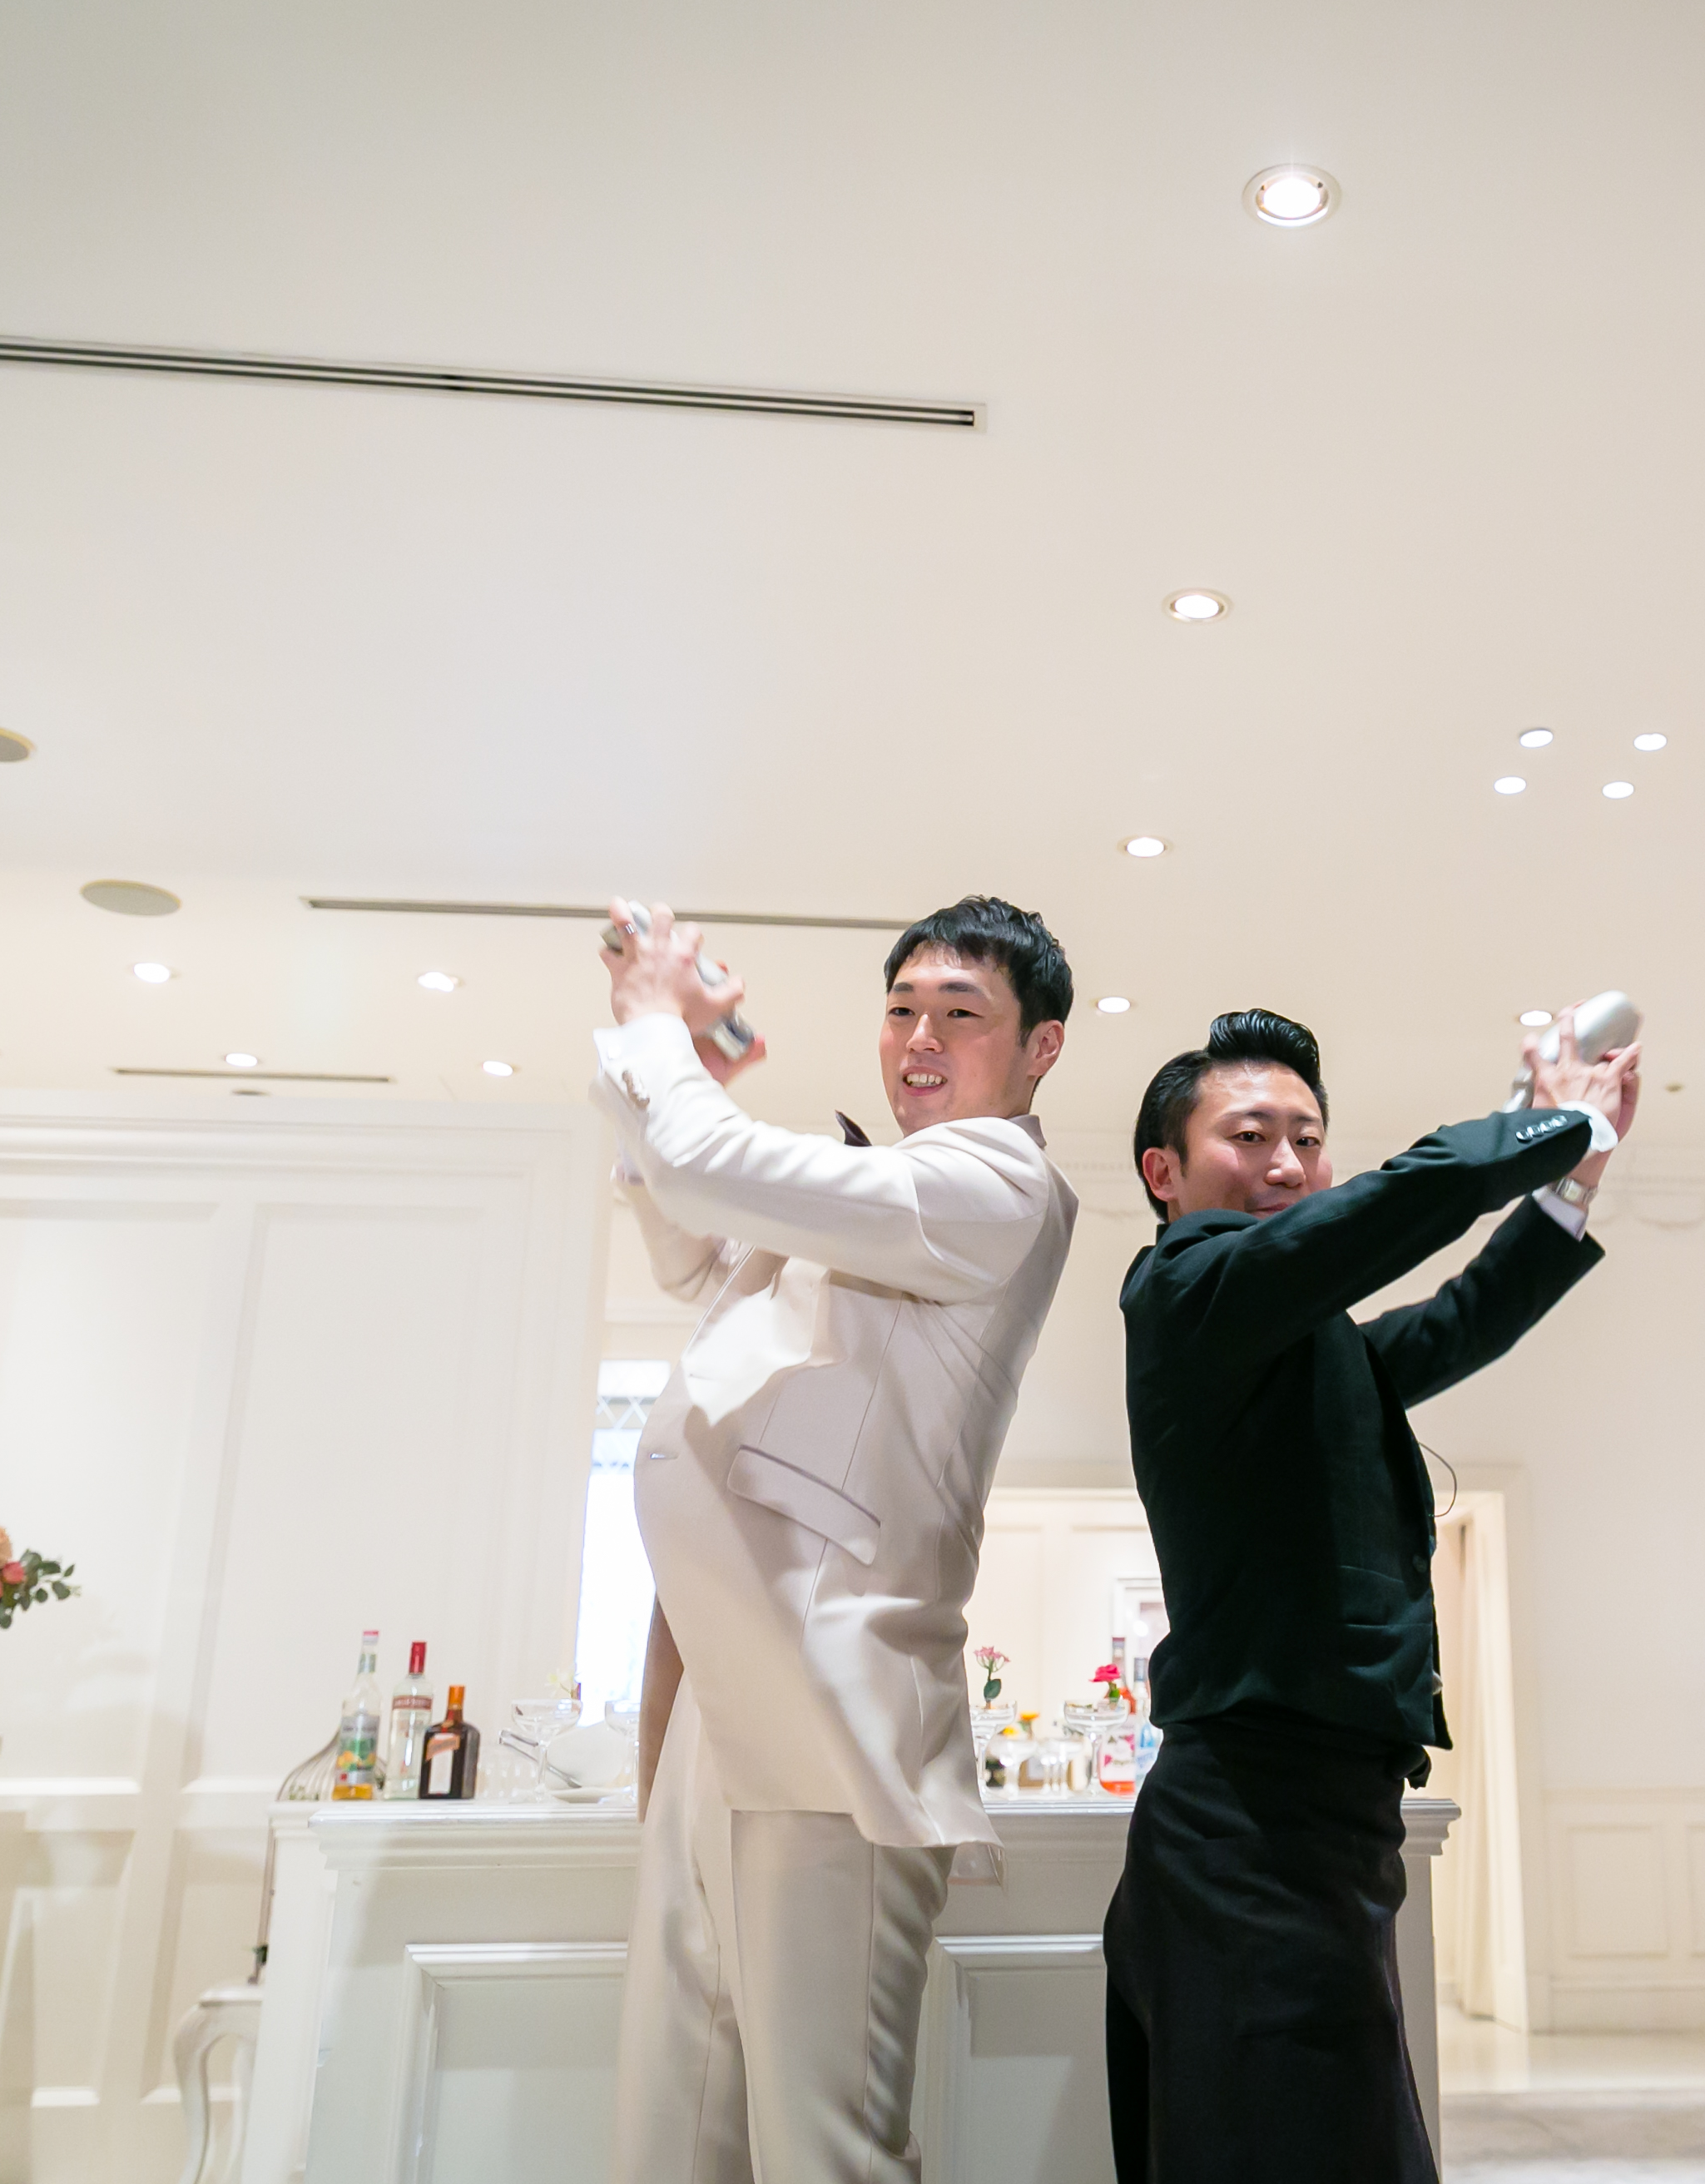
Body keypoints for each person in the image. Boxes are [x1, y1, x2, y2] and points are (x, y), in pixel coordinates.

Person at [1105, 1004, 1641, 2184]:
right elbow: (1385, 1209)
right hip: (1252, 1827)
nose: (1288, 1164)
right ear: (1164, 1173)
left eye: (1307, 1138)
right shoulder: (1185, 1287)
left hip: (1303, 1822)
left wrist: (1572, 1181)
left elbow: (1453, 1323)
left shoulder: (1296, 1341)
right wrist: (1545, 1124)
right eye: (1250, 1135)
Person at [595, 895, 1081, 2184]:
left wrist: (654, 1025)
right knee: (670, 2131)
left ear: (1040, 1047)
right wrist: (677, 1063)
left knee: (824, 2156)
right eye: (901, 1007)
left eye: (961, 1012)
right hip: (724, 1708)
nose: (919, 1036)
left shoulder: (995, 1183)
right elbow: (690, 1242)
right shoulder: (872, 1200)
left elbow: (703, 1168)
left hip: (834, 1725)